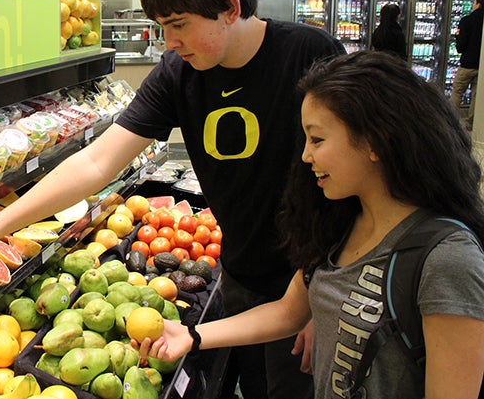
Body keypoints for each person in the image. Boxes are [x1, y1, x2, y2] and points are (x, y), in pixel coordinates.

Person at [0, 0, 345, 399]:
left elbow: (358, 190)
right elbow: (96, 163)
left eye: (180, 24)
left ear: (229, 8)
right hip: (240, 276)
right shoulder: (178, 74)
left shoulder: (310, 56)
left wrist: (320, 295)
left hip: (316, 281)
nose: (169, 42)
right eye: (162, 26)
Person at [136, 51, 484, 399]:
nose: (305, 156)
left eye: (316, 139)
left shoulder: (446, 259)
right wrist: (192, 336)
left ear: (376, 141)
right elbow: (288, 313)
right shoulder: (340, 222)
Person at [450, 0, 484, 129]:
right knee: (477, 94)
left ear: (478, 3)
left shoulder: (467, 20)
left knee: (457, 90)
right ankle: (472, 122)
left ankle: (450, 118)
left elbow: (461, 45)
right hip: (481, 65)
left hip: (467, 63)